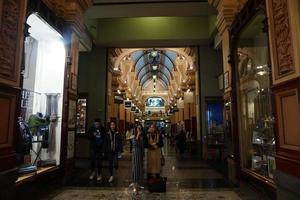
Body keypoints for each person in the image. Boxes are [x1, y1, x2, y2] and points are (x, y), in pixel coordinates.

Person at [129, 124, 145, 189]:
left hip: (140, 153)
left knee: (139, 168)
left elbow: (142, 146)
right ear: (136, 129)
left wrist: (143, 154)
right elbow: (134, 144)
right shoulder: (133, 136)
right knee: (135, 168)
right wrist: (138, 135)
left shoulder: (141, 137)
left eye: (140, 128)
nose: (139, 130)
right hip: (135, 153)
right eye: (138, 128)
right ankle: (134, 183)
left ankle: (137, 183)